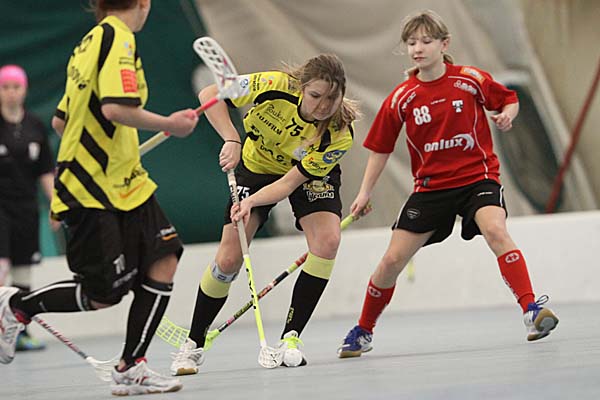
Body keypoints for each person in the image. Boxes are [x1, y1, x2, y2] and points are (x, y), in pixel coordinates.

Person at [0, 0, 198, 396]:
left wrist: (111, 147)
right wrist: (170, 125)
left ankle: (132, 366)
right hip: (92, 188)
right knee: (102, 295)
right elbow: (114, 108)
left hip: (128, 184)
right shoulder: (117, 40)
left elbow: (61, 120)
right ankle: (18, 306)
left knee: (164, 257)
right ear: (142, 3)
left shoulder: (88, 42)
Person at [337, 10, 559, 359]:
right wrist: (364, 192)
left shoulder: (470, 80)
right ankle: (363, 330)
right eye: (411, 43)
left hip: (477, 179)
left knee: (496, 231)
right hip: (430, 190)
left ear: (444, 44)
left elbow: (509, 99)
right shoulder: (402, 97)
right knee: (391, 260)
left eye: (426, 41)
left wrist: (506, 116)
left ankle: (531, 310)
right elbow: (380, 147)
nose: (417, 49)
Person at [170, 53, 359, 374]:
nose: (323, 106)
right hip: (255, 166)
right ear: (301, 87)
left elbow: (288, 184)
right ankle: (193, 343)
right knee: (228, 259)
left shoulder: (338, 133)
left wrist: (251, 202)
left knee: (327, 241)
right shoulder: (274, 84)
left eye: (332, 98)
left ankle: (291, 338)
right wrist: (231, 138)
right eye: (316, 96)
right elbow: (210, 94)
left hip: (303, 176)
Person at [0, 64, 58, 352]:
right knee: (2, 265)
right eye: (5, 87)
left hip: (26, 208)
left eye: (16, 87)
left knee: (23, 273)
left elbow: (45, 171)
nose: (11, 92)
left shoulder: (35, 125)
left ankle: (19, 331)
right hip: (0, 208)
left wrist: (56, 205)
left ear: (24, 90)